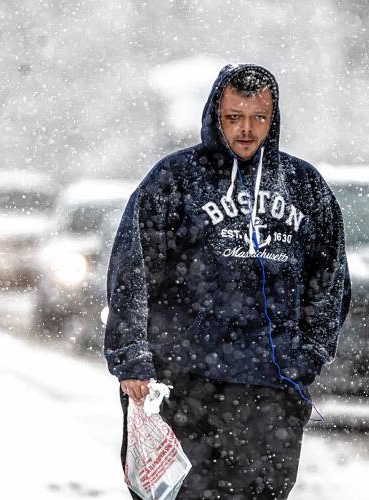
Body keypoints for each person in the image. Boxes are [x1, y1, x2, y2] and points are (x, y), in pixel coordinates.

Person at [104, 63, 350, 499]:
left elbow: (329, 281)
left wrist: (308, 356)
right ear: (215, 116)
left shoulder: (304, 187)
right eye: (234, 117)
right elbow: (132, 272)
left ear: (273, 120)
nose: (246, 130)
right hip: (184, 383)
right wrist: (133, 360)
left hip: (271, 389)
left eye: (259, 117)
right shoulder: (175, 180)